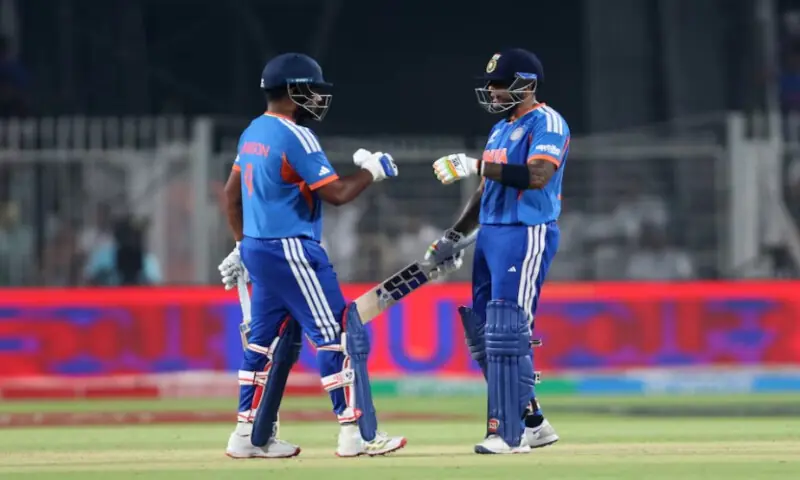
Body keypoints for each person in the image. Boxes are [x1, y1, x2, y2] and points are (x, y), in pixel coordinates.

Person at [218, 53, 406, 459]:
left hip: (259, 247)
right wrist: (373, 170)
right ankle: (355, 433)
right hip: (291, 249)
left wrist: (240, 244)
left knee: (262, 345)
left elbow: (230, 195)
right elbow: (335, 194)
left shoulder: (252, 131)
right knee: (339, 334)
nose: (319, 98)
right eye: (314, 90)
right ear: (293, 90)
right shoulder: (295, 135)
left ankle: (246, 437)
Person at [424, 48, 565, 454]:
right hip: (491, 234)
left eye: (500, 83)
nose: (492, 89)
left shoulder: (548, 123)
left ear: (527, 84)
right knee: (486, 335)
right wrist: (453, 235)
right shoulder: (501, 129)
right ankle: (533, 421)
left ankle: (508, 434)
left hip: (525, 232)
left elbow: (538, 175)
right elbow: (487, 190)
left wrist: (475, 165)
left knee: (509, 331)